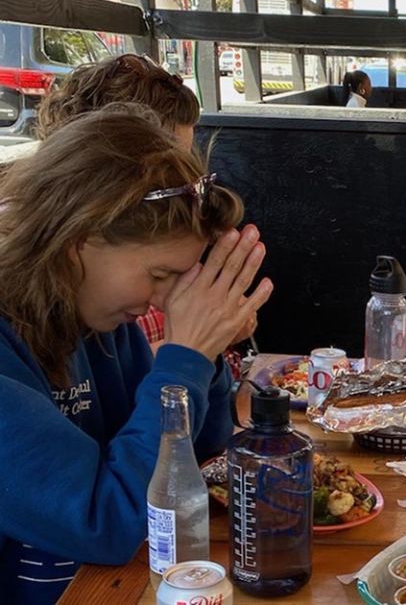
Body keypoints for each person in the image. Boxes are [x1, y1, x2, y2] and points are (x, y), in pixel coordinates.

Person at [0, 105, 273, 604]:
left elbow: (196, 455)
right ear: (78, 240)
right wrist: (185, 354)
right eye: (160, 275)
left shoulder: (95, 320)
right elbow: (109, 521)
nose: (163, 301)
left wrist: (205, 352)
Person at [26, 53, 210, 352]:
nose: (180, 187)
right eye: (167, 170)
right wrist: (191, 351)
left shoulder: (103, 307)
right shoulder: (88, 288)